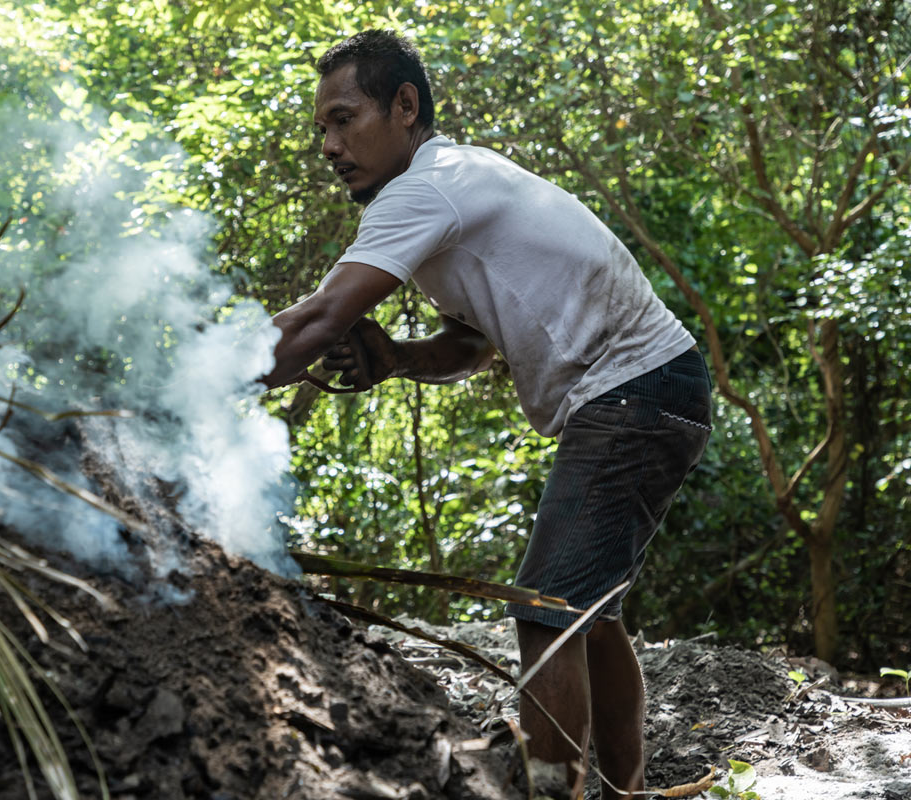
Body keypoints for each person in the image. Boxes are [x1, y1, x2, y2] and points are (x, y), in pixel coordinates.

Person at [262, 29, 712, 798]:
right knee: (589, 613)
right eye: (322, 129)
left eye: (344, 119)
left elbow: (314, 323)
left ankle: (554, 794)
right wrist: (398, 358)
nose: (329, 146)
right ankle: (625, 794)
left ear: (405, 106)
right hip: (655, 387)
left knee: (547, 610)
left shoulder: (423, 190)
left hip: (634, 389)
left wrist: (193, 393)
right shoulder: (446, 183)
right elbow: (471, 347)